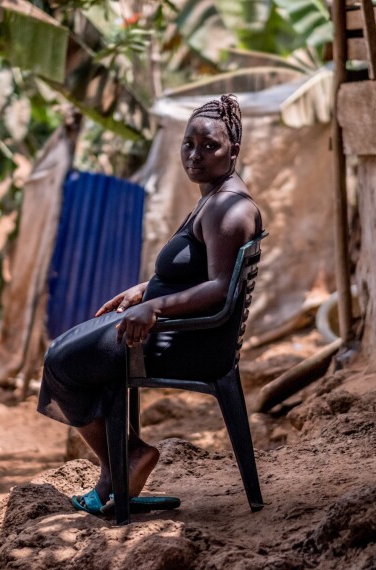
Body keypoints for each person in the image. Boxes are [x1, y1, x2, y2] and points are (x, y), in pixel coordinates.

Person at [38, 94, 263, 515]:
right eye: (188, 144)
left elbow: (218, 288)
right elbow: (197, 272)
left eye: (209, 146)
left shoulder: (229, 211)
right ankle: (119, 466)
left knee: (63, 363)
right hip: (178, 332)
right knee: (73, 348)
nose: (195, 155)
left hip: (188, 343)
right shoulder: (216, 197)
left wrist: (156, 308)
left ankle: (126, 461)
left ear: (234, 149)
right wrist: (145, 289)